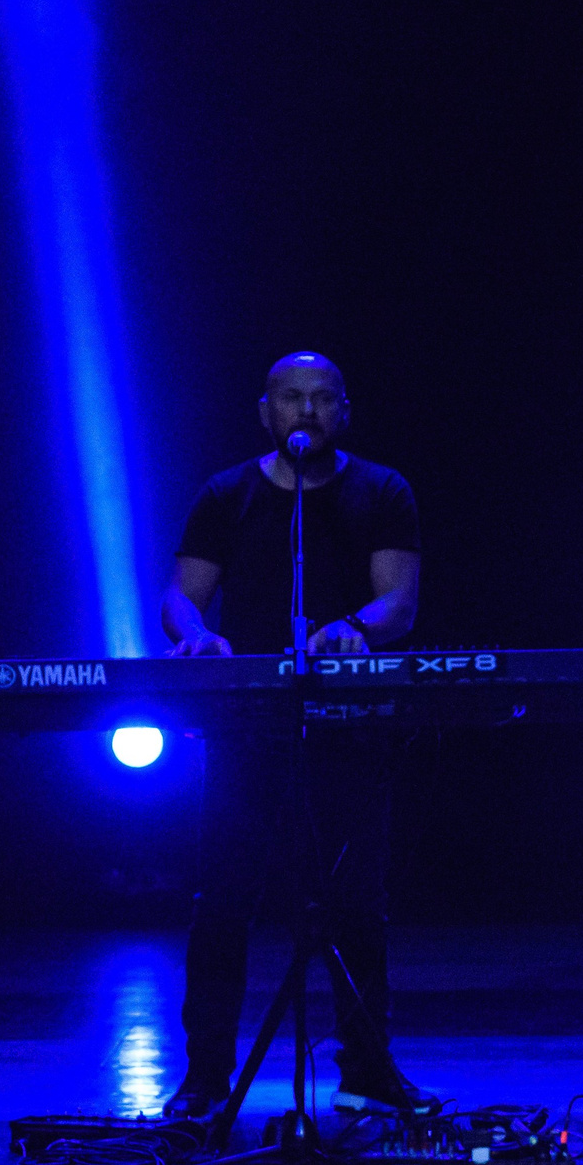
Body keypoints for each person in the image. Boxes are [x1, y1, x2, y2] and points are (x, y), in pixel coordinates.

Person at [158, 352, 428, 1120]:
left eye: (320, 399)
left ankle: (369, 1071)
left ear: (343, 410)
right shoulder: (227, 494)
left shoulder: (382, 490)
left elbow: (398, 605)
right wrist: (198, 635)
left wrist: (353, 629)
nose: (305, 411)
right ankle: (206, 1078)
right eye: (290, 398)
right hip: (248, 728)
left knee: (357, 903)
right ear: (266, 411)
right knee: (223, 903)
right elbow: (181, 595)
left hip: (352, 728)